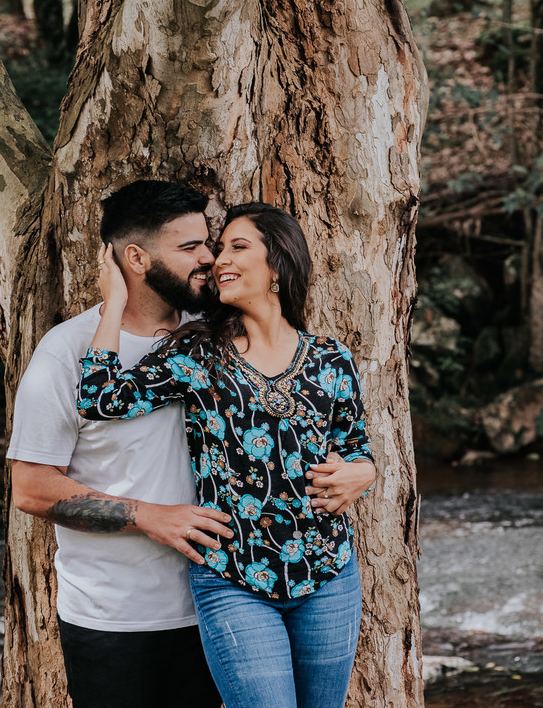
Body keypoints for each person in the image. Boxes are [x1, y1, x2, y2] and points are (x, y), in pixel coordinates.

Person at [76, 202, 376, 708]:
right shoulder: (198, 350)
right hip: (235, 576)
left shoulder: (330, 358)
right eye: (219, 250)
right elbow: (102, 397)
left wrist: (363, 473)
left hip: (329, 572)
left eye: (238, 247)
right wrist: (113, 303)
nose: (219, 260)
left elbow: (356, 448)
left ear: (277, 263)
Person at [7, 181, 227, 708]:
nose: (209, 257)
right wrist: (149, 515)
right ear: (136, 257)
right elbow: (32, 490)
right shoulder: (67, 352)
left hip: (222, 607)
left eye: (209, 243)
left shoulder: (218, 335)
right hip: (114, 620)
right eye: (190, 247)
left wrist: (360, 468)